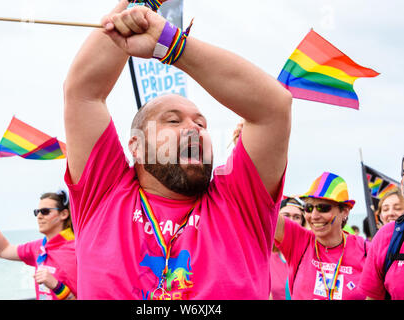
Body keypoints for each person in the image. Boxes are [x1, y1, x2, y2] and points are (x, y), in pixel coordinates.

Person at [63, 0, 292, 300]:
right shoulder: (103, 192)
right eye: (172, 120)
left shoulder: (239, 202)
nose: (195, 128)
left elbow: (274, 107)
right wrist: (138, 6)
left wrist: (172, 45)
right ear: (136, 146)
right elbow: (83, 92)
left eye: (202, 124)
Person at [274, 172, 369, 300]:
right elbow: (262, 208)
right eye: (309, 207)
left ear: (345, 211)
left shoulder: (366, 250)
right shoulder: (299, 240)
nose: (313, 216)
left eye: (323, 208)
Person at [0, 191, 77, 300]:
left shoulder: (76, 250)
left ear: (64, 214)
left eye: (45, 211)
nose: (39, 216)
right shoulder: (39, 247)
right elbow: (3, 250)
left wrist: (57, 287)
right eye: (37, 212)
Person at [358, 161, 404, 300]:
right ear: (402, 185)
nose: (391, 213)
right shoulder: (386, 236)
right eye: (385, 209)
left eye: (397, 208)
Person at [270, 197, 305, 300]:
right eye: (286, 216)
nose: (291, 221)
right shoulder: (267, 257)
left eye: (297, 217)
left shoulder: (311, 255)